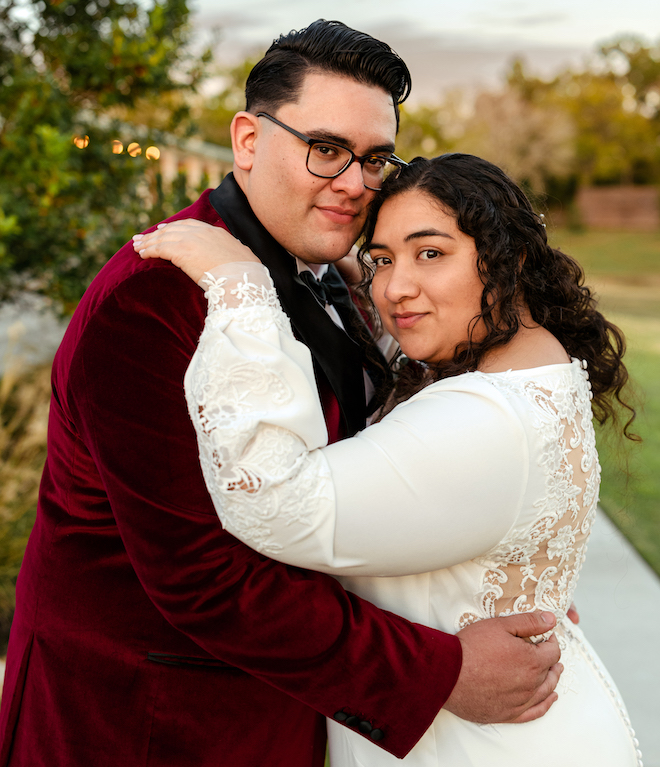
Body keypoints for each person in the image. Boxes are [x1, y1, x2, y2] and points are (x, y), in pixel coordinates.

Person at [0, 22, 561, 767]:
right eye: (325, 149)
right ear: (247, 141)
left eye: (374, 158)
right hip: (144, 723)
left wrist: (485, 591)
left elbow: (370, 474)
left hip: (280, 711)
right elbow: (202, 575)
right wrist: (443, 670)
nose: (356, 182)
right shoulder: (155, 301)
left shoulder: (339, 274)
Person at [133, 152, 642, 767]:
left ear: (512, 261)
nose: (396, 288)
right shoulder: (521, 365)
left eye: (431, 253)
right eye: (383, 260)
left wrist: (243, 288)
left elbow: (278, 505)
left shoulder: (484, 419)